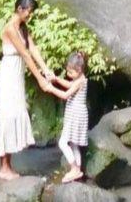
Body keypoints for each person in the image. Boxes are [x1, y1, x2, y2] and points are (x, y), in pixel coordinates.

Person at [0, 0, 58, 180]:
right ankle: (3, 168)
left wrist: (46, 70)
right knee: (7, 117)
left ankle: (8, 166)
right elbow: (25, 55)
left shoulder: (22, 27)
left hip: (16, 77)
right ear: (19, 9)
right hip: (7, 77)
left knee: (15, 114)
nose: (30, 15)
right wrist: (40, 80)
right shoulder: (10, 28)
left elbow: (33, 49)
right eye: (28, 12)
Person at [51, 50, 89, 183]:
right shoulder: (80, 79)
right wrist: (56, 79)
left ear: (79, 70)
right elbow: (69, 85)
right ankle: (78, 170)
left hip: (75, 115)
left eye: (71, 72)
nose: (68, 74)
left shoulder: (79, 81)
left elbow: (65, 95)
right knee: (74, 144)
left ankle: (74, 168)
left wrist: (50, 88)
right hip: (78, 114)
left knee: (63, 142)